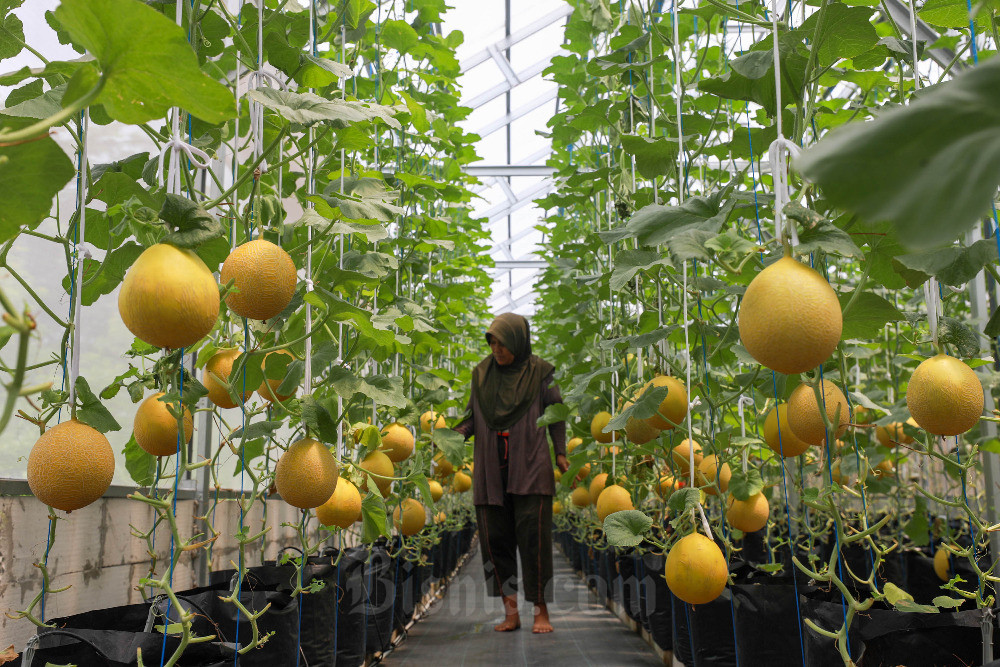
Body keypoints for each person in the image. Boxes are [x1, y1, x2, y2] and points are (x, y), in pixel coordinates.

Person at [454, 313, 569, 634]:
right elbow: (472, 418)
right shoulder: (482, 375)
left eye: (502, 343)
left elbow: (556, 414)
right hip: (491, 472)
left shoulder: (542, 373)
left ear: (518, 341)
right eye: (492, 342)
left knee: (535, 542)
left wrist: (560, 451)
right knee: (496, 542)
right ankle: (511, 612)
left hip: (531, 468)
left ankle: (541, 612)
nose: (496, 349)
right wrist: (451, 436)